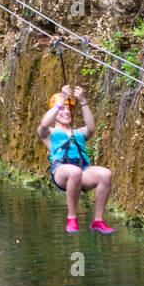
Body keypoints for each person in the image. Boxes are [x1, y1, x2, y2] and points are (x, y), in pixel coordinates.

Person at [38, 84, 114, 234]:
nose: (66, 112)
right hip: (61, 170)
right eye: (62, 109)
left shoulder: (78, 132)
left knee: (106, 174)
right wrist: (62, 100)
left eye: (68, 109)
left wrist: (83, 101)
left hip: (82, 169)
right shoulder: (49, 133)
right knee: (74, 172)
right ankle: (71, 218)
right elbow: (44, 123)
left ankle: (98, 221)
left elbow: (91, 128)